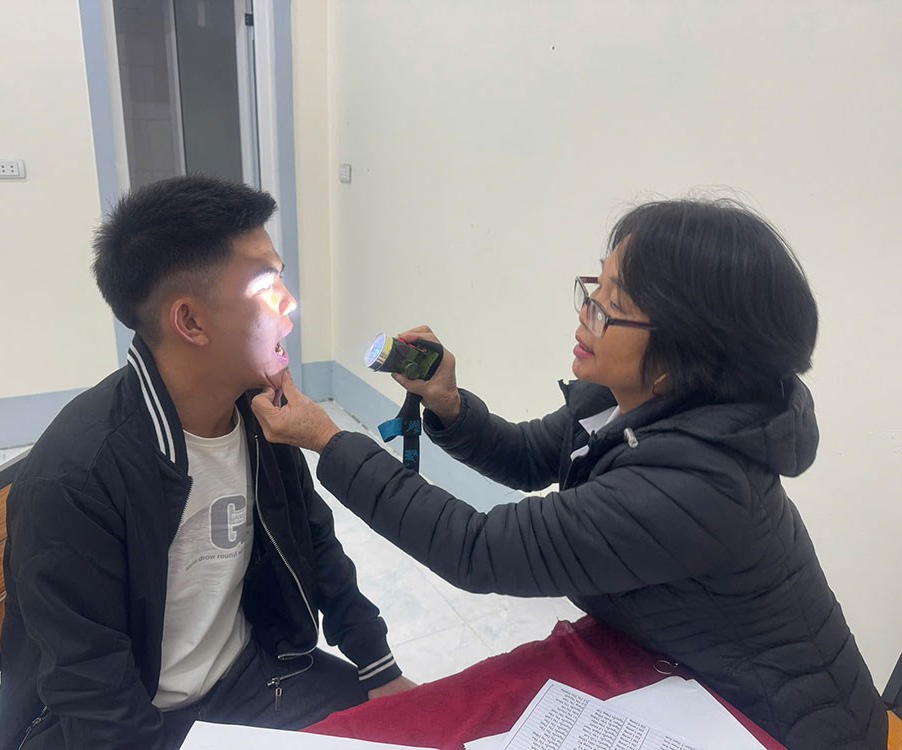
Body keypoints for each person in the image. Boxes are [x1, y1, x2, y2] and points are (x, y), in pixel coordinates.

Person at [251, 198, 892, 748]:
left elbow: (476, 549)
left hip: (773, 723)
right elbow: (531, 455)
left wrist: (327, 441)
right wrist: (446, 401)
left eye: (611, 307)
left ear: (687, 350)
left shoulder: (699, 486)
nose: (586, 315)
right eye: (594, 290)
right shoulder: (630, 398)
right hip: (680, 658)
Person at [0, 176, 414, 750]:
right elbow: (93, 694)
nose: (288, 303)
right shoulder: (75, 479)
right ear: (189, 321)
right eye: (265, 284)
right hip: (124, 727)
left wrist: (378, 667)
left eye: (281, 277)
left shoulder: (262, 416)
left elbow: (314, 544)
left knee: (417, 729)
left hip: (246, 680)